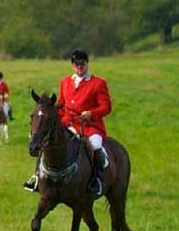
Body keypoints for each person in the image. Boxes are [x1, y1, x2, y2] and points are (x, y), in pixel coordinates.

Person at [22, 49, 112, 195]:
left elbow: (106, 107)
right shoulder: (65, 82)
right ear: (72, 65)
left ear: (87, 63)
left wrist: (91, 114)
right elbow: (61, 104)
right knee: (46, 141)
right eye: (76, 64)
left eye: (82, 64)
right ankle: (37, 178)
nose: (79, 67)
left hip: (90, 126)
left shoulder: (98, 83)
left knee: (95, 146)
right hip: (68, 123)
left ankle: (97, 180)